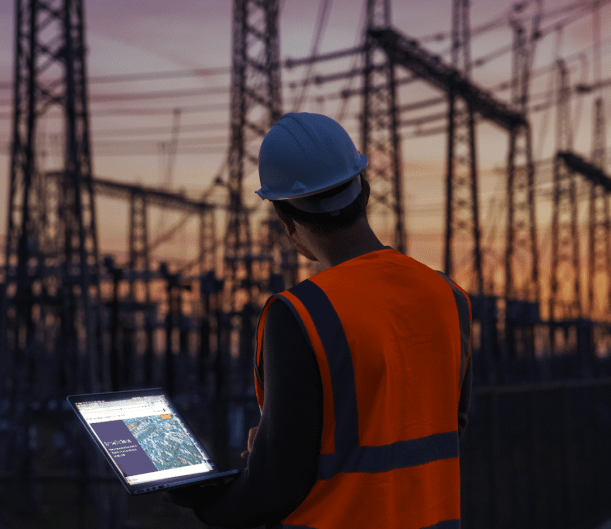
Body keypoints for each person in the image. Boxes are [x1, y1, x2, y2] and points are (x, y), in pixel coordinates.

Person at [167, 112, 473, 529]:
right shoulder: (448, 296)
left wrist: (209, 503)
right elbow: (441, 425)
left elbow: (276, 488)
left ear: (286, 220)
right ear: (364, 190)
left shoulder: (300, 315)